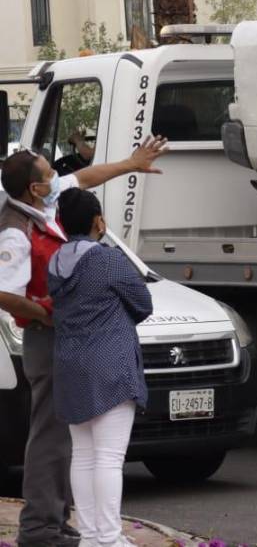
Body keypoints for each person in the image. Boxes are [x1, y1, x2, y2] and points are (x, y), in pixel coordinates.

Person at [0, 137, 168, 547]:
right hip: (47, 337)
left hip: (68, 339)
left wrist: (131, 163)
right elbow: (3, 291)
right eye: (50, 173)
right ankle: (42, 528)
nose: (58, 177)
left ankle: (66, 524)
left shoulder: (44, 205)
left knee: (70, 443)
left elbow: (85, 177)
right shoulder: (16, 231)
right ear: (34, 188)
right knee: (53, 438)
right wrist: (45, 313)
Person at [49, 188, 152, 547]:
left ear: (62, 223)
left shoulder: (55, 262)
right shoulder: (109, 260)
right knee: (109, 458)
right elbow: (143, 303)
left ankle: (91, 536)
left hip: (70, 365)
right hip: (111, 366)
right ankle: (108, 539)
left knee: (83, 456)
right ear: (99, 221)